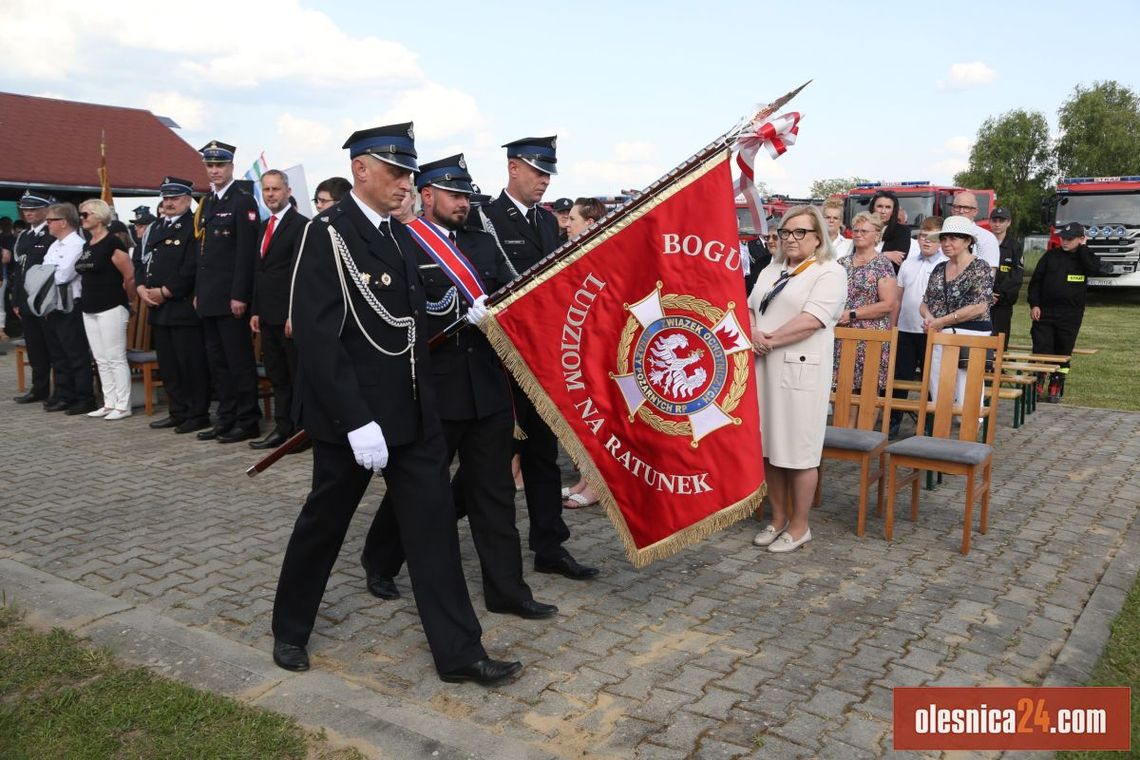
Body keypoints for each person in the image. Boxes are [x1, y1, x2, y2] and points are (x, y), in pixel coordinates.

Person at [271, 123, 522, 685]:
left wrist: (467, 316)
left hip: (412, 415)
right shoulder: (327, 234)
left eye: (409, 172)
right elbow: (316, 336)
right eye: (394, 170)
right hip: (353, 422)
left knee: (434, 535)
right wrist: (356, 420)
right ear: (361, 169)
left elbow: (412, 324)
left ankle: (461, 654)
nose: (405, 182)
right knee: (324, 524)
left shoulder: (398, 235)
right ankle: (289, 628)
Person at [361, 153, 557, 620]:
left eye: (467, 195)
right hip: (435, 390)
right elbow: (399, 315)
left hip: (486, 388)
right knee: (421, 489)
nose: (464, 204)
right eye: (453, 195)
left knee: (493, 493)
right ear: (426, 195)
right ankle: (381, 559)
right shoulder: (403, 242)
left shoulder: (482, 246)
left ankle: (507, 590)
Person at [479, 136, 598, 580]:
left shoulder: (549, 224)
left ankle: (550, 547)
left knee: (542, 459)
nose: (544, 181)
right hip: (501, 363)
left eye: (548, 173)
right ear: (513, 169)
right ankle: (393, 545)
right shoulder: (485, 218)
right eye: (537, 172)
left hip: (540, 363)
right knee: (485, 466)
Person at [747, 206, 846, 553]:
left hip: (799, 368)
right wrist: (753, 332)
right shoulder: (771, 269)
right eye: (786, 232)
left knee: (799, 450)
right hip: (763, 367)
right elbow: (750, 308)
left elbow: (812, 319)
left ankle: (800, 525)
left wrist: (768, 339)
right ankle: (777, 518)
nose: (791, 238)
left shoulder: (829, 272)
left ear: (818, 236)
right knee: (769, 448)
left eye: (800, 232)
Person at [194, 140, 262, 443]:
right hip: (209, 296)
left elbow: (246, 254)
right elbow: (204, 253)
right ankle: (226, 416)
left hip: (230, 297)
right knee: (217, 364)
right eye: (210, 166)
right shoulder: (207, 202)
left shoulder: (242, 200)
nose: (214, 171)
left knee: (238, 362)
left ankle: (247, 419)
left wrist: (240, 294)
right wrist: (199, 291)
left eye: (219, 165)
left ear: (231, 167)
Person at [136, 177, 212, 433]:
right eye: (165, 198)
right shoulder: (156, 227)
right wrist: (140, 288)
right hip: (158, 308)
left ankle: (197, 413)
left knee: (190, 364)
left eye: (175, 198)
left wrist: (166, 291)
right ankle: (177, 410)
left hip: (181, 307)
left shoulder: (194, 226)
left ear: (188, 199)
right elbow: (141, 260)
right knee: (168, 364)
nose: (169, 203)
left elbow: (192, 265)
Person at [249, 169, 308, 450]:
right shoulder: (262, 226)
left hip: (290, 316)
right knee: (278, 375)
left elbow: (301, 274)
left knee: (297, 375)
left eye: (275, 189)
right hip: (268, 314)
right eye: (266, 190)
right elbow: (260, 271)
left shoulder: (301, 225)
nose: (270, 194)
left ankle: (301, 430)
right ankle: (282, 429)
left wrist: (294, 314)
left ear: (288, 191)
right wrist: (256, 310)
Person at [559, 197, 608, 510]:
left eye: (573, 219)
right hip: (578, 348)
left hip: (596, 348)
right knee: (583, 420)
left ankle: (597, 486)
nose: (566, 225)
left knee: (598, 419)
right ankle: (585, 480)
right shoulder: (577, 252)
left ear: (590, 223)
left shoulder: (601, 254)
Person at [919, 216, 995, 404]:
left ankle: (970, 429)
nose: (946, 243)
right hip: (940, 335)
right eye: (944, 239)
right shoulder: (938, 269)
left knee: (967, 393)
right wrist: (929, 318)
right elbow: (924, 302)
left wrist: (941, 321)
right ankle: (939, 429)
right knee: (938, 391)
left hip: (971, 336)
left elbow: (979, 307)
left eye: (953, 238)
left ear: (967, 241)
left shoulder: (980, 267)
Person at [1028, 222, 1104, 403]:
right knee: (1041, 346)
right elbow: (1036, 281)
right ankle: (1038, 380)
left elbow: (1094, 269)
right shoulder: (1050, 256)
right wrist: (1035, 304)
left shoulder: (1086, 257)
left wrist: (1084, 249)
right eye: (1063, 238)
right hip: (1045, 312)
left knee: (1063, 349)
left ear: (1081, 239)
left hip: (1071, 314)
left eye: (1070, 239)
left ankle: (1057, 382)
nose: (1065, 242)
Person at [75, 199, 135, 420]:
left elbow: (128, 275)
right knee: (100, 357)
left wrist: (128, 300)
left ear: (99, 216)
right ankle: (109, 402)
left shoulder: (113, 243)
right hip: (89, 304)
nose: (82, 219)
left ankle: (123, 404)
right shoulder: (86, 245)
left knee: (115, 356)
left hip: (111, 304)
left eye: (86, 214)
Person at [889, 217, 947, 437]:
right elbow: (898, 298)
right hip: (905, 330)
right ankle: (894, 421)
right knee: (900, 378)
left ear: (941, 240)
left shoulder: (945, 265)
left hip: (932, 332)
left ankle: (929, 424)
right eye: (923, 236)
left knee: (931, 379)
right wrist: (893, 325)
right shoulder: (909, 263)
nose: (926, 241)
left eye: (932, 237)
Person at [40, 203, 97, 414]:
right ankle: (65, 394)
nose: (48, 225)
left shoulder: (77, 245)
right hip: (53, 303)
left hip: (71, 304)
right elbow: (43, 271)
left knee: (75, 353)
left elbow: (63, 275)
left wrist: (45, 275)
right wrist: (45, 275)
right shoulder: (55, 245)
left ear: (63, 222)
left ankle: (84, 397)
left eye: (50, 220)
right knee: (58, 354)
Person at [834, 212, 897, 394]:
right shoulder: (841, 263)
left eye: (864, 231)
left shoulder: (882, 264)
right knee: (843, 390)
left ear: (876, 235)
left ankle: (864, 425)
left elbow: (888, 304)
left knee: (868, 392)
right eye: (855, 230)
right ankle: (843, 425)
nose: (858, 234)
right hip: (842, 335)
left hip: (872, 338)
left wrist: (852, 314)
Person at [11, 190, 56, 404]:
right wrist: (16, 301)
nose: (28, 213)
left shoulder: (51, 233)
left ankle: (60, 390)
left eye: (33, 209)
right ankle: (39, 389)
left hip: (44, 300)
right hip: (26, 301)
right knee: (35, 348)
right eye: (25, 209)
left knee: (52, 347)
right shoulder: (24, 236)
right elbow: (18, 271)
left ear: (46, 209)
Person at [988, 207, 1022, 348]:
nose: (997, 224)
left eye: (1001, 221)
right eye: (994, 220)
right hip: (984, 299)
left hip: (1003, 301)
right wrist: (987, 292)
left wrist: (999, 294)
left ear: (1008, 223)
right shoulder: (984, 242)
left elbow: (1016, 274)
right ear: (990, 222)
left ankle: (998, 367)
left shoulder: (1015, 246)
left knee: (1000, 337)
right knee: (984, 336)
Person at [949, 192, 999, 269]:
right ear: (952, 210)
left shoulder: (987, 238)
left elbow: (989, 273)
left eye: (966, 208)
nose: (961, 211)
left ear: (975, 212)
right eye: (957, 207)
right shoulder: (943, 235)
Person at [869, 190, 910, 270]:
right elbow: (857, 257)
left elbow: (897, 261)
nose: (883, 211)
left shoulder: (902, 231)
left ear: (893, 211)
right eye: (879, 206)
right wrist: (884, 255)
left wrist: (870, 257)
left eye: (888, 207)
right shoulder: (863, 228)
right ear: (873, 208)